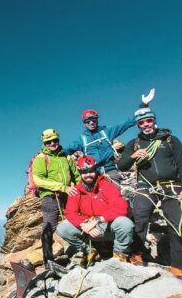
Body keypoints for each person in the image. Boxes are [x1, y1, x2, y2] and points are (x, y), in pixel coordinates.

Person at [117, 107, 182, 283]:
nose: (146, 124)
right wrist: (133, 156)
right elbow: (122, 165)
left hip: (172, 186)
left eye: (148, 120)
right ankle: (136, 254)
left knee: (177, 224)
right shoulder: (134, 143)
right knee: (140, 215)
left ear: (154, 120)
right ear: (138, 124)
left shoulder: (170, 140)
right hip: (146, 186)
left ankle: (179, 268)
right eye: (141, 122)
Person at [64, 89, 155, 185]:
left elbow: (127, 123)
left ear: (97, 120)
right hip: (93, 172)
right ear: (84, 123)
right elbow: (67, 149)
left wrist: (143, 105)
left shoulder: (106, 132)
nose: (91, 123)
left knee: (115, 195)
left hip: (111, 171)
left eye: (94, 120)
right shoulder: (82, 139)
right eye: (88, 121)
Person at [57, 155, 134, 265]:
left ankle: (120, 255)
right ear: (80, 173)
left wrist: (97, 220)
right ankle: (88, 251)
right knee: (62, 228)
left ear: (96, 170)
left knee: (125, 223)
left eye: (91, 171)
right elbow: (70, 212)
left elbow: (121, 207)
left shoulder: (106, 185)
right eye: (84, 172)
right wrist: (84, 225)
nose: (88, 175)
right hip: (88, 228)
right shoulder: (77, 191)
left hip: (107, 226)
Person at [32, 129, 80, 265]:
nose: (52, 143)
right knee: (49, 227)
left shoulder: (66, 156)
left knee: (77, 219)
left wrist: (82, 189)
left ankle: (81, 250)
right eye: (48, 141)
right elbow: (38, 180)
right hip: (50, 196)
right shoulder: (41, 158)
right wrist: (62, 187)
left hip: (67, 193)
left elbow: (76, 175)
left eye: (55, 140)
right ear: (44, 143)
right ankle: (48, 260)